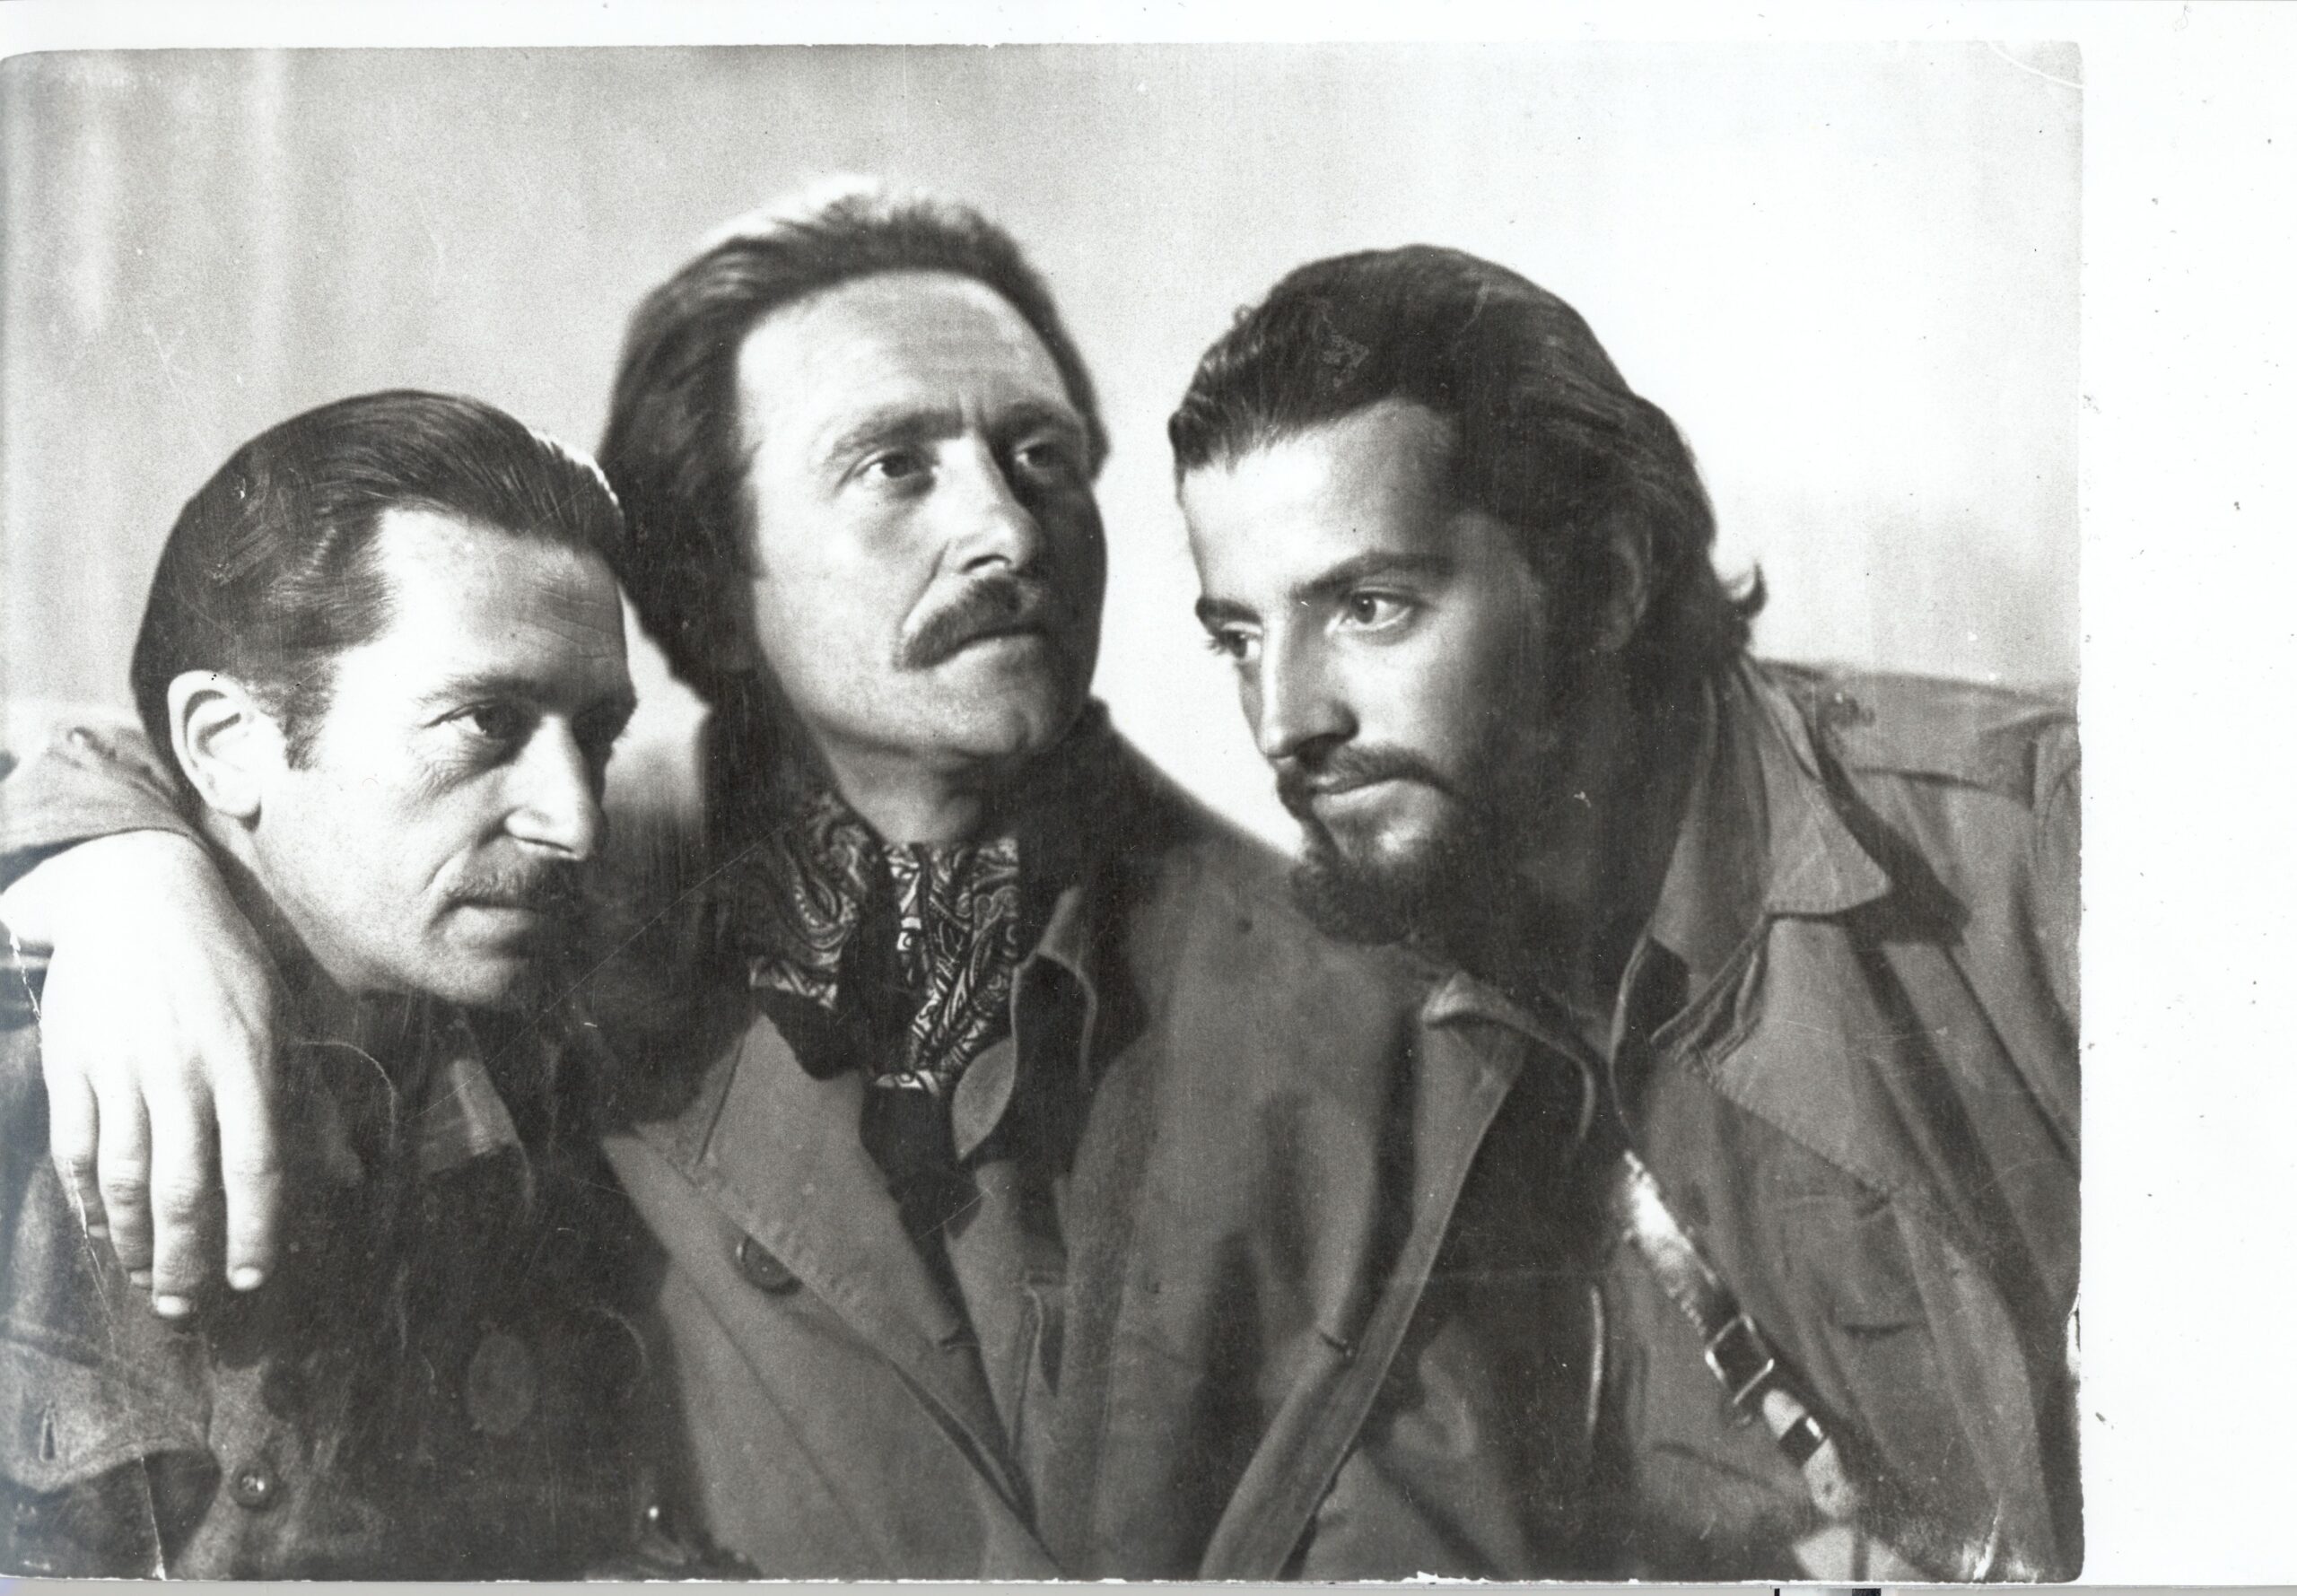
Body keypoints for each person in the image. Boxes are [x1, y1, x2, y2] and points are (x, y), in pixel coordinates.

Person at [0, 189, 1610, 1577]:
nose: (1005, 530)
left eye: (1042, 458)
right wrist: (123, 869)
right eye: (896, 466)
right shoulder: (559, 893)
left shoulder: (1380, 1018)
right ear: (711, 580)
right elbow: (271, 754)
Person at [1166, 245, 2082, 1580]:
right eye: (1241, 638)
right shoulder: (1347, 1033)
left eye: (1367, 607)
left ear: (1604, 580)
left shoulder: (2043, 846)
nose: (1283, 720)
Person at [0, 390, 703, 1577]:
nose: (574, 819)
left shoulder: (536, 1050)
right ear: (225, 743)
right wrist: (113, 864)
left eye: (594, 736)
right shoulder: (34, 1079)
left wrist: (114, 851)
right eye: (485, 722)